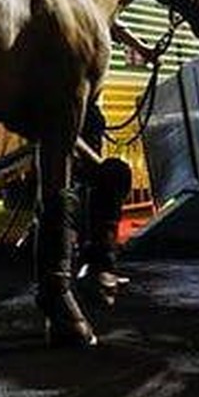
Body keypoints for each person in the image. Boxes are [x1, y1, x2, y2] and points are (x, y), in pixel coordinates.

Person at [74, 97, 133, 304]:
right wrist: (96, 163)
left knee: (113, 175)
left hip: (84, 161)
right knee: (115, 173)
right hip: (72, 161)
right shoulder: (71, 92)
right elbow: (65, 129)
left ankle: (100, 263)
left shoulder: (89, 99)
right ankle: (99, 264)